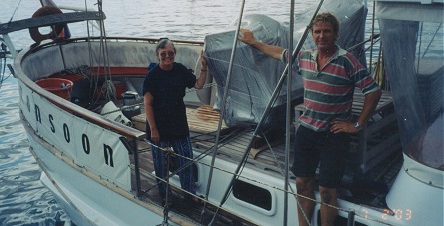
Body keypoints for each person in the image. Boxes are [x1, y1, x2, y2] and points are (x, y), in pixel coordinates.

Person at [238, 12, 382, 226]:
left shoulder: (346, 60)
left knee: (326, 190)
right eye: (317, 32)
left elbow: (373, 91)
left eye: (327, 31)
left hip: (333, 135)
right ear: (312, 35)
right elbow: (279, 53)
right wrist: (253, 42)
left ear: (335, 34)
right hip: (306, 131)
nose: (321, 36)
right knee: (303, 184)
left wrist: (357, 125)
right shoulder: (305, 57)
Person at [143, 38, 208, 205]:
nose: (167, 56)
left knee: (186, 158)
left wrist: (204, 67)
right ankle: (165, 196)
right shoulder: (152, 76)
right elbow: (148, 104)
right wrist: (153, 129)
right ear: (158, 55)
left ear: (175, 54)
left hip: (178, 124)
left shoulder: (179, 70)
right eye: (163, 54)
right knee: (161, 164)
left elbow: (199, 85)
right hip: (159, 127)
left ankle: (189, 192)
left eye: (170, 53)